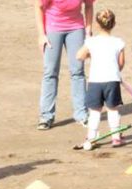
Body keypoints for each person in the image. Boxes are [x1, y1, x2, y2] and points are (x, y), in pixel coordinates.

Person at [34, 0, 94, 130]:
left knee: (78, 71)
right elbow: (38, 6)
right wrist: (41, 35)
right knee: (50, 72)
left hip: (76, 28)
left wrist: (88, 33)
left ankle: (81, 114)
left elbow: (89, 6)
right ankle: (46, 116)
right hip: (53, 28)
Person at [76, 9, 125, 147]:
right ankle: (116, 137)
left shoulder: (91, 42)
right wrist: (116, 71)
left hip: (95, 81)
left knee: (95, 111)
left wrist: (89, 55)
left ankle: (91, 137)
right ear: (114, 23)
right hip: (112, 80)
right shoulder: (118, 42)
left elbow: (79, 56)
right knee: (113, 109)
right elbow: (121, 63)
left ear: (97, 25)